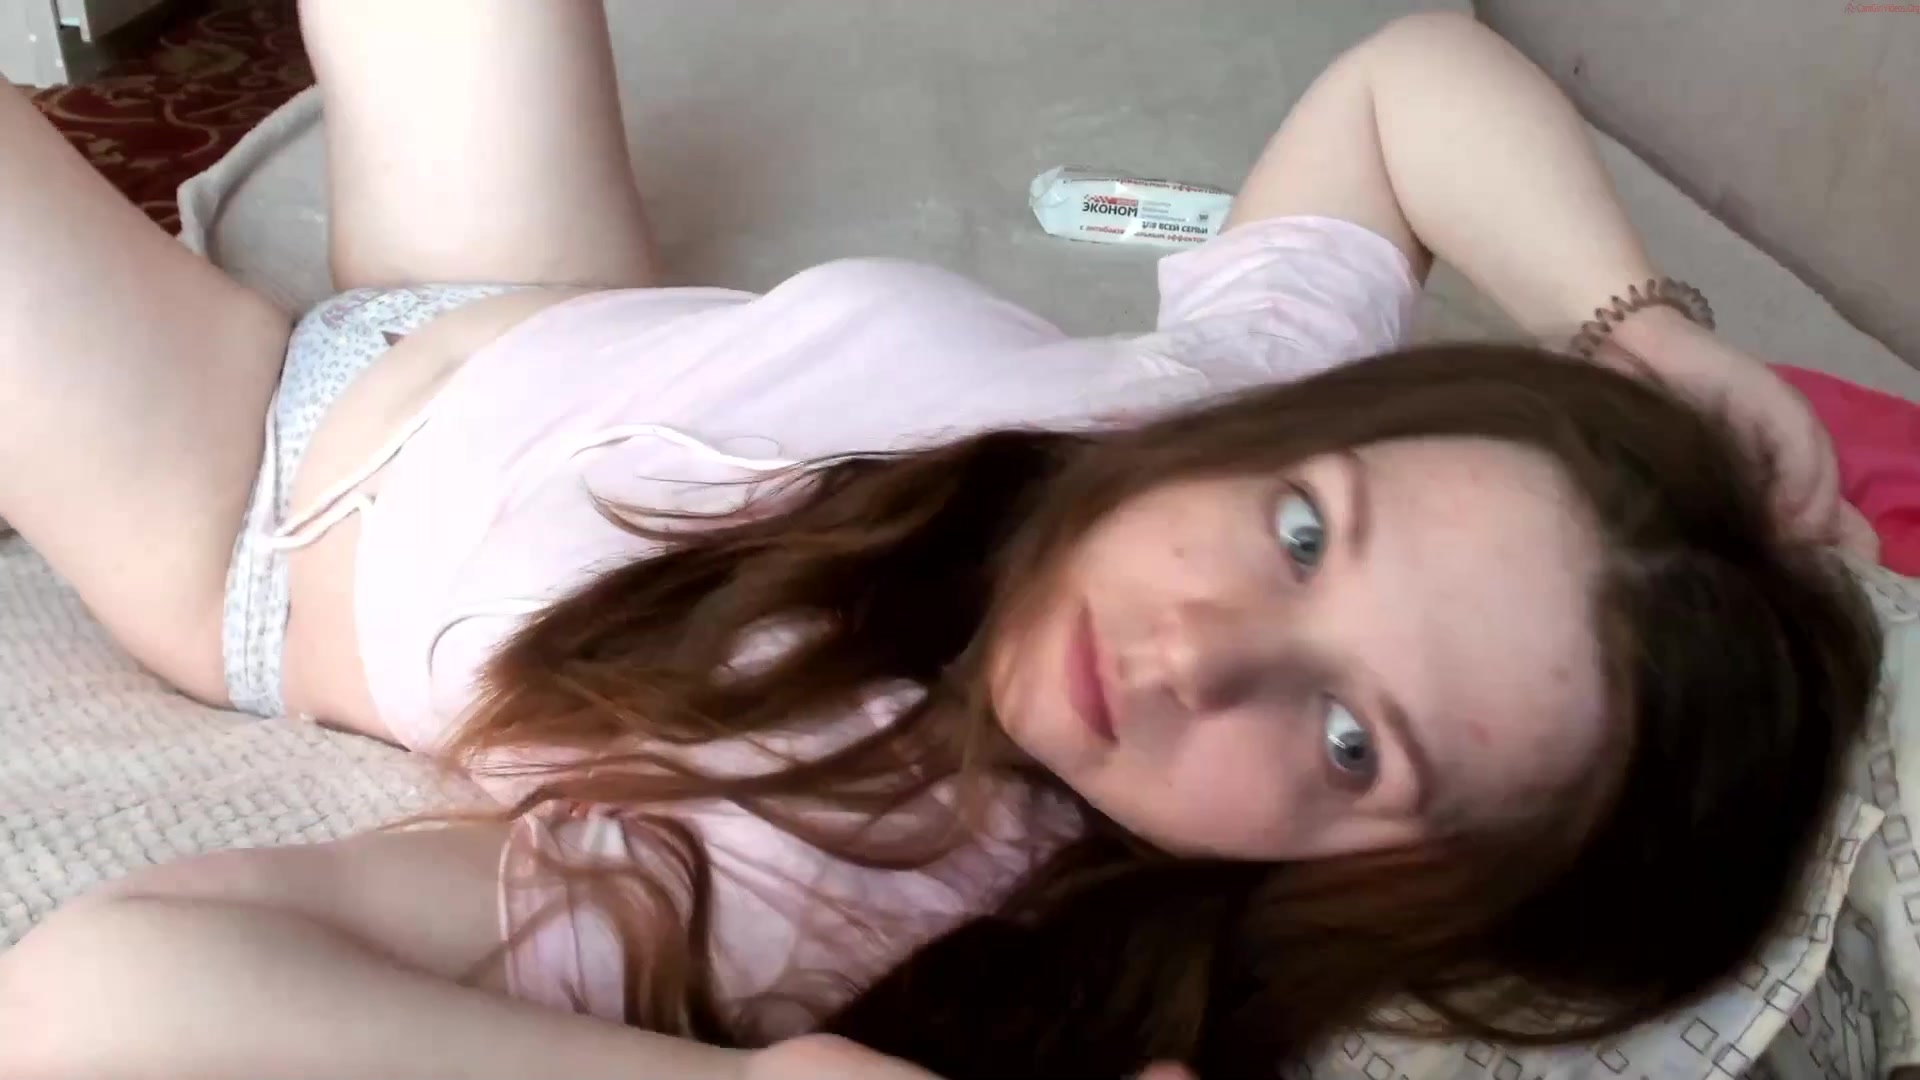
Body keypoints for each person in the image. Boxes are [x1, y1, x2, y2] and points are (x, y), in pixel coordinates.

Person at [0, 3, 1883, 1078]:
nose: (1195, 645)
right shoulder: (1210, 411)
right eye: (1310, 532)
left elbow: (97, 1008)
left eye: (1344, 742)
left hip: (249, 498)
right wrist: (1649, 337)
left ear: (1373, 898)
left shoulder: (836, 860)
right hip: (540, 294)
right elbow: (1409, 78)